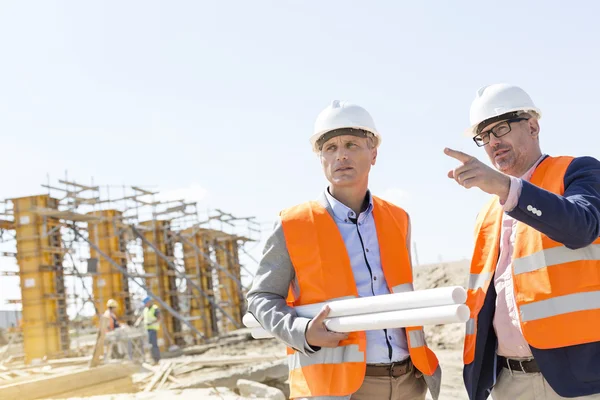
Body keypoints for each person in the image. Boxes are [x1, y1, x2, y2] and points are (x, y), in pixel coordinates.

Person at [247, 100, 441, 400]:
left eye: (351, 144)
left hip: (408, 382)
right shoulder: (293, 224)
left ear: (373, 153)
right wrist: (302, 332)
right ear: (321, 158)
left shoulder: (398, 219)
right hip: (338, 388)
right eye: (330, 148)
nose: (341, 155)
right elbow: (261, 298)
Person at [445, 83, 600, 399]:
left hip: (577, 381)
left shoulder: (578, 171)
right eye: (484, 136)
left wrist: (506, 188)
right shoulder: (489, 211)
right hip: (508, 381)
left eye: (499, 128)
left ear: (532, 126)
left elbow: (582, 227)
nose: (492, 142)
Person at [143, 296, 161, 364]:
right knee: (149, 345)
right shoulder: (146, 309)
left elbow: (159, 318)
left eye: (146, 303)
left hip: (153, 329)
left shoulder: (155, 308)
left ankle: (156, 359)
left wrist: (151, 323)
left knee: (154, 345)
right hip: (147, 330)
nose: (145, 305)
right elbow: (143, 317)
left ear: (149, 302)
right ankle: (152, 359)